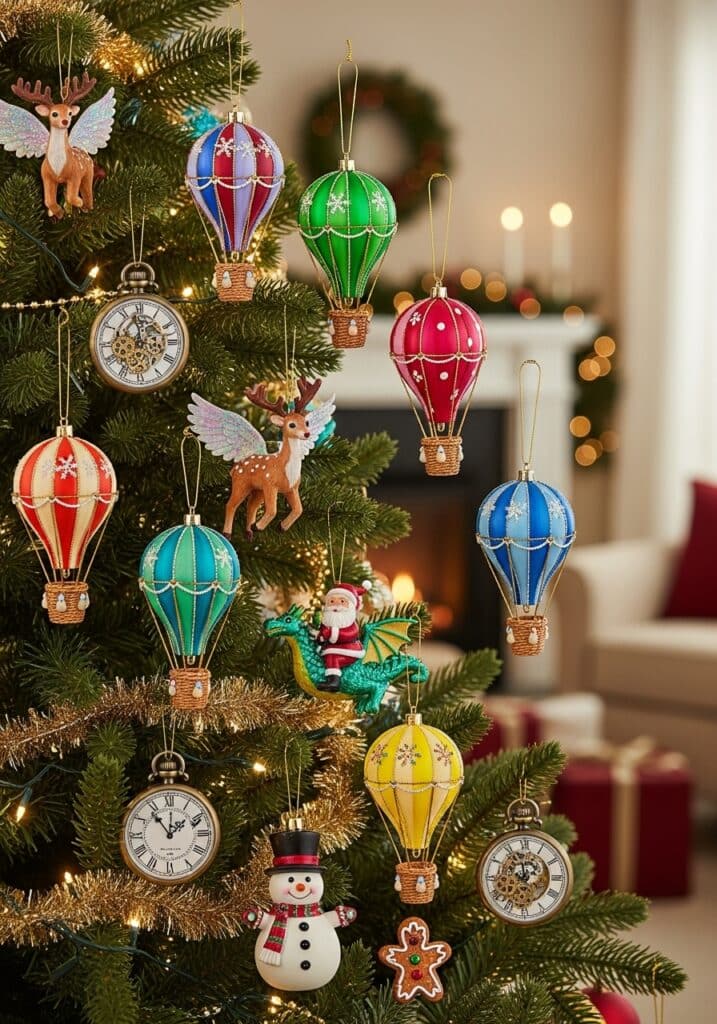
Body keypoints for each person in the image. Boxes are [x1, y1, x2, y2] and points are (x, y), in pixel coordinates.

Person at [315, 582, 368, 692]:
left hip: (349, 650)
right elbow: (323, 634)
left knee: (333, 658)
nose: (336, 605)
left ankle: (334, 682)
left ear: (351, 606)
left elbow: (349, 634)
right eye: (332, 601)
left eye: (342, 601)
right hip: (331, 648)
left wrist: (332, 632)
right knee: (326, 656)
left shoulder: (351, 624)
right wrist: (321, 637)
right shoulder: (327, 620)